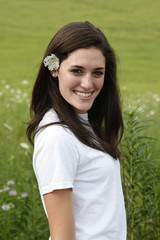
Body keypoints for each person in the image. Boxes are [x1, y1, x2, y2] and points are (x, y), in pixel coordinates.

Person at [27, 21, 127, 240]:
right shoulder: (57, 136)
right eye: (77, 70)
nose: (87, 83)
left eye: (97, 73)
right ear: (54, 69)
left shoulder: (83, 126)